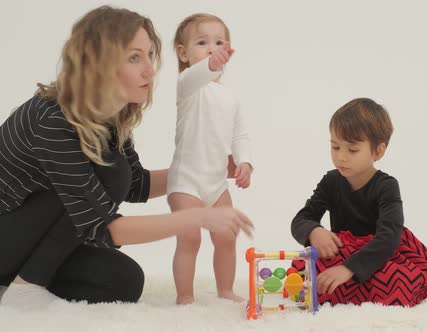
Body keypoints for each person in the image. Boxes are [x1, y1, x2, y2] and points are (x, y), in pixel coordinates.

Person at [0, 6, 253, 308]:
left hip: (39, 241)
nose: (149, 69)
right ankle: (25, 288)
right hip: (8, 231)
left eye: (148, 55)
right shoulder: (52, 121)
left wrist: (204, 171)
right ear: (99, 65)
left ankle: (17, 279)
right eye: (135, 57)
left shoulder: (109, 114)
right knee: (102, 175)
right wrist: (198, 217)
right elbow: (104, 226)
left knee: (122, 280)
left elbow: (136, 185)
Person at [291, 98, 427, 306]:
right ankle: (348, 290)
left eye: (352, 150)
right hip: (343, 250)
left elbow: (389, 237)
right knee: (303, 273)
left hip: (382, 253)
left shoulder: (386, 186)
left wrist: (348, 268)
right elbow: (302, 218)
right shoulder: (330, 181)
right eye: (335, 147)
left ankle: (356, 290)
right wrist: (314, 230)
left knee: (398, 284)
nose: (341, 157)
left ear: (378, 151)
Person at [167, 13, 253, 305]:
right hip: (186, 181)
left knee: (227, 237)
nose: (212, 48)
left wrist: (245, 162)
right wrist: (210, 64)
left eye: (219, 43)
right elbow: (196, 74)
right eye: (202, 42)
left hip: (216, 183)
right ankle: (185, 296)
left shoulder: (230, 98)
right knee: (190, 237)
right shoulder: (188, 86)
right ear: (183, 52)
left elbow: (240, 135)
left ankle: (226, 290)